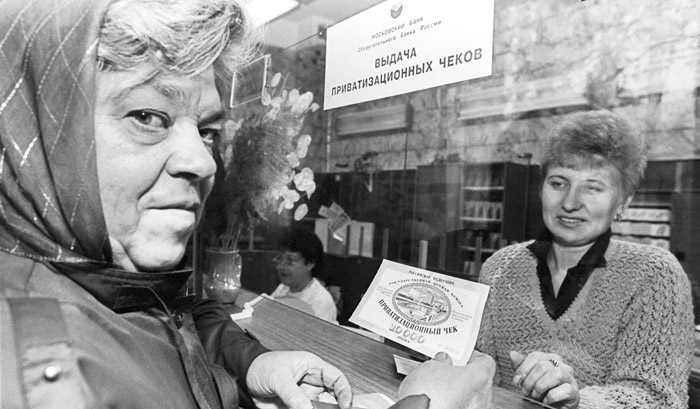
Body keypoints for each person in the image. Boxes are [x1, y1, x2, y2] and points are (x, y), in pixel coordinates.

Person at [0, 1, 353, 407]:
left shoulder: (94, 267)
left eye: (206, 130)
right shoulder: (46, 379)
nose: (203, 162)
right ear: (44, 131)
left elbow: (165, 318)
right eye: (148, 116)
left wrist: (252, 362)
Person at [476, 110, 694, 408]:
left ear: (623, 202)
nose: (570, 202)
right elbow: (480, 372)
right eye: (558, 183)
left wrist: (577, 401)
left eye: (593, 187)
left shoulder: (654, 274)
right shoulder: (499, 268)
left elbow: (659, 398)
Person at [270, 228, 339, 324]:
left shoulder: (320, 300)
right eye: (280, 258)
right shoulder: (282, 289)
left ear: (310, 264)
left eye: (290, 260)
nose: (281, 266)